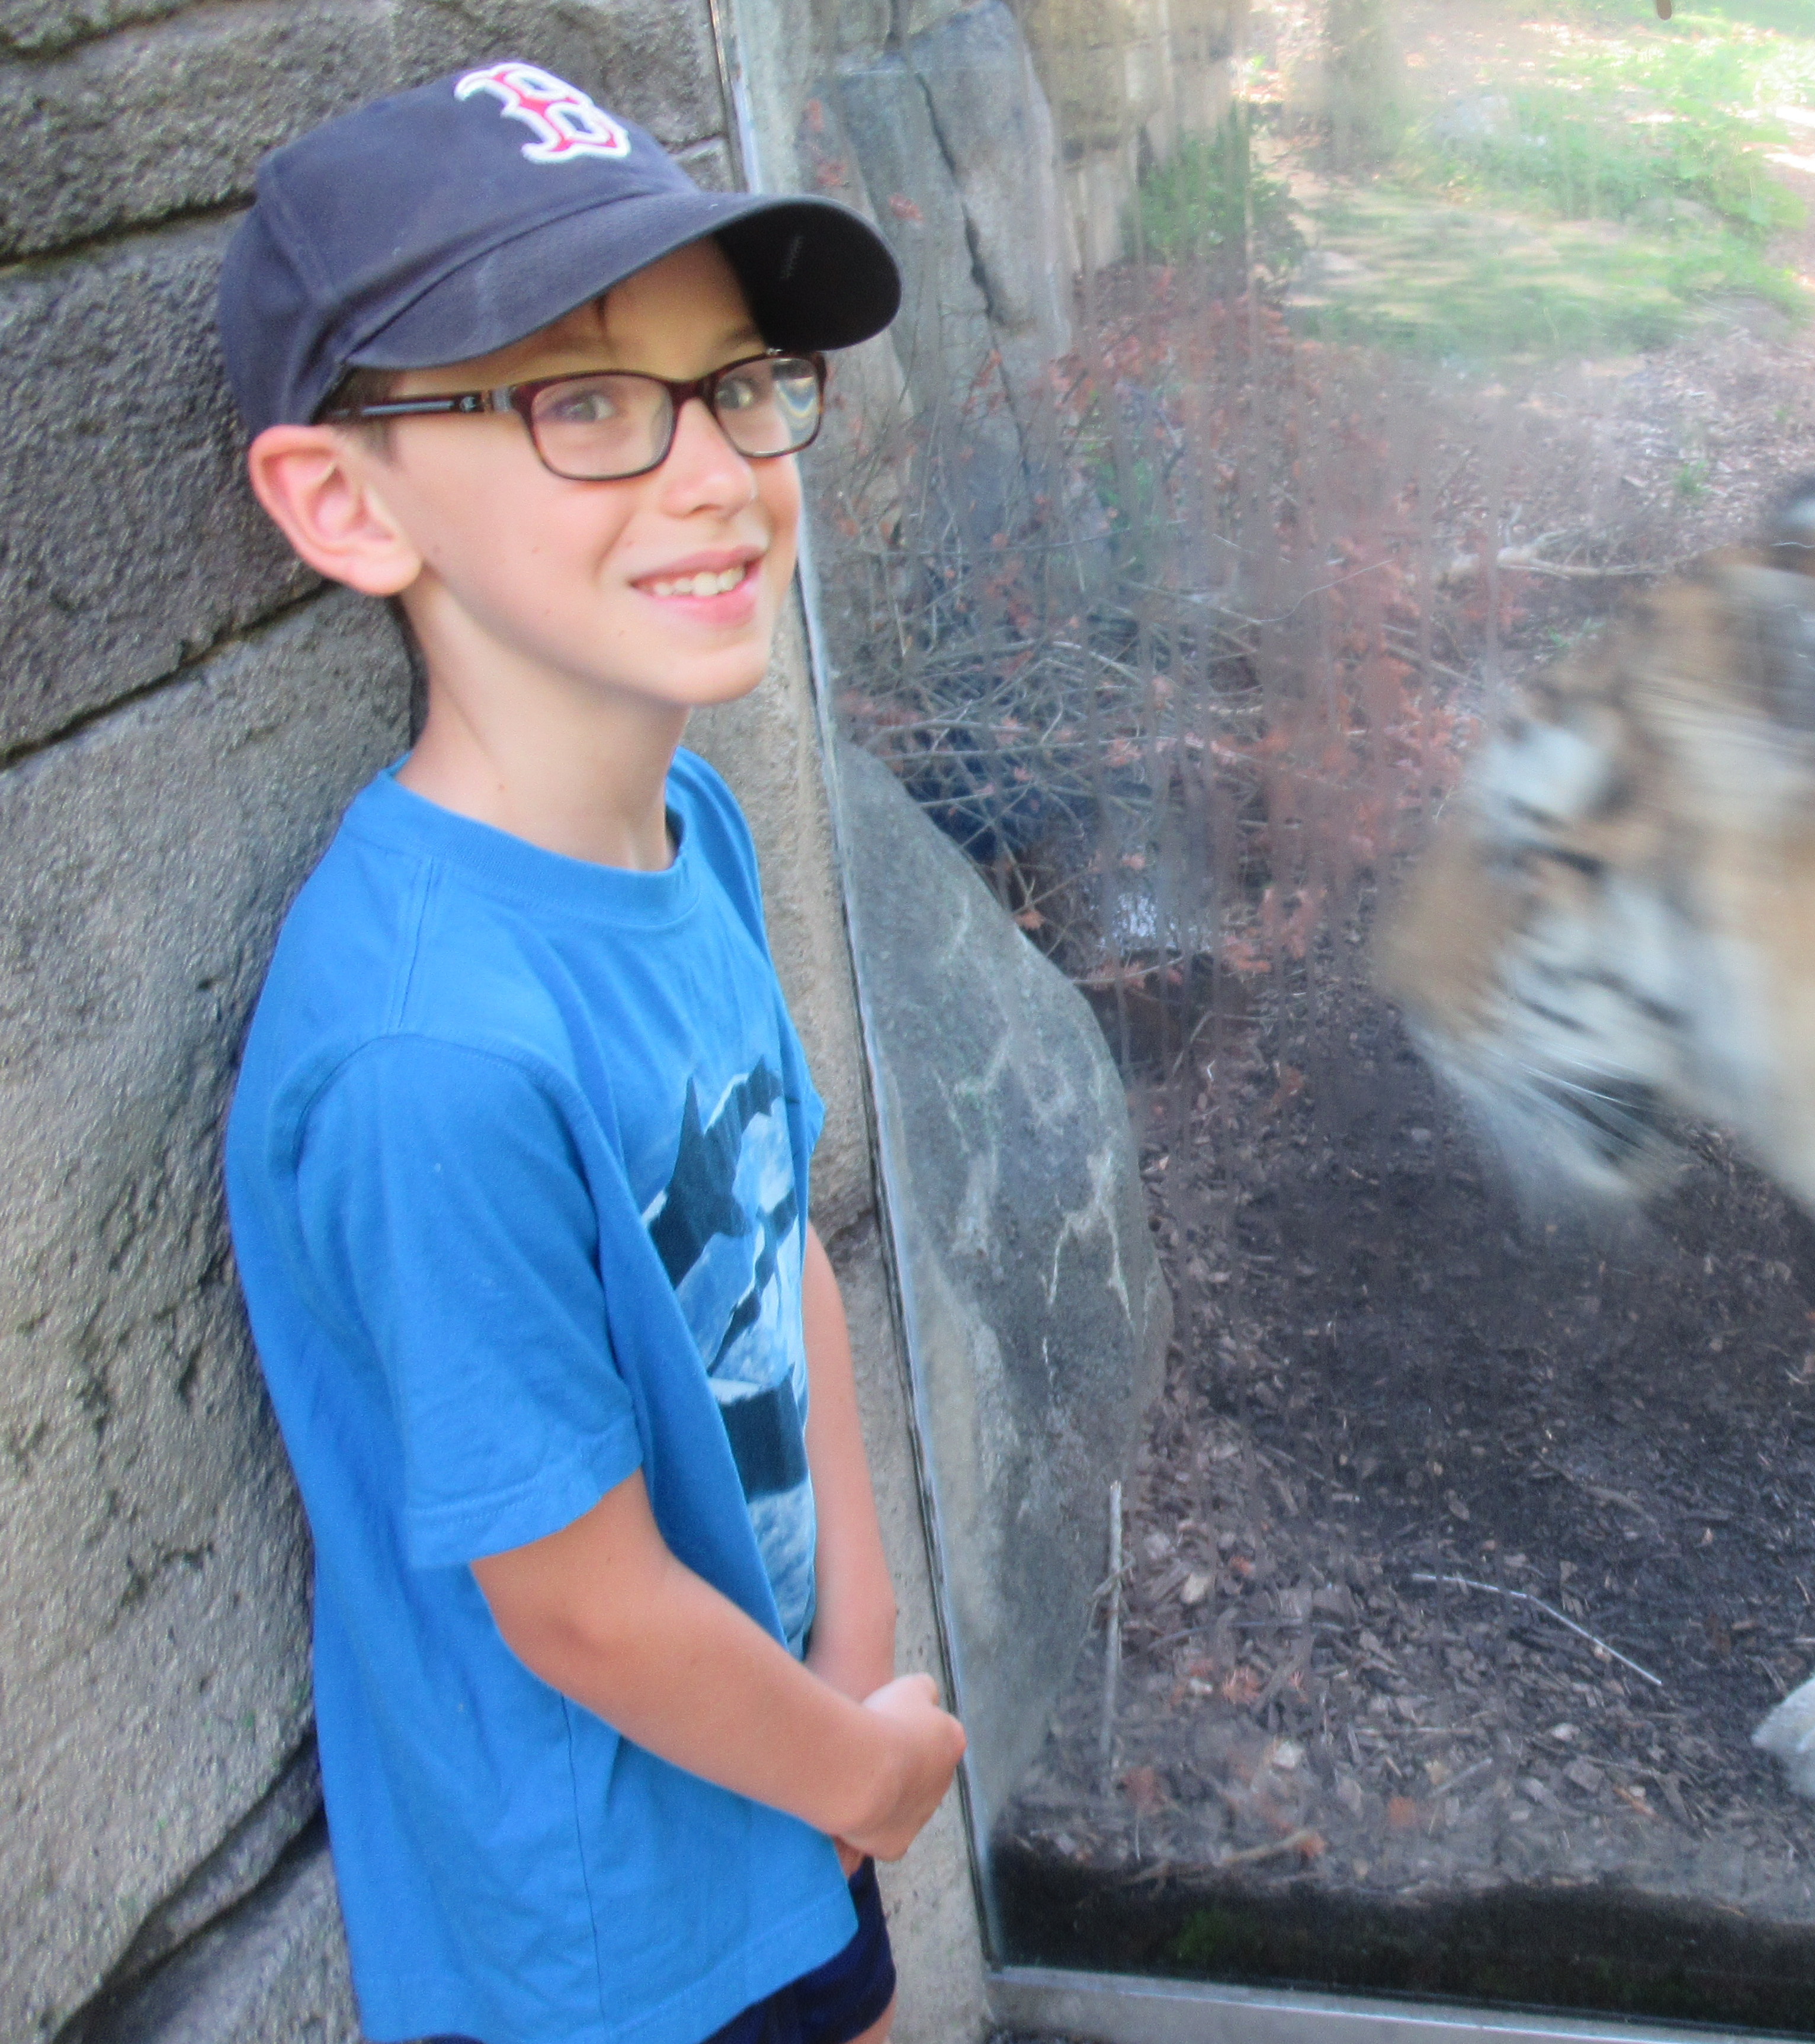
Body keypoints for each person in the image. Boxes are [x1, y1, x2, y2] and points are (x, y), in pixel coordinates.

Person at [217, 62, 964, 2044]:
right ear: (344, 501)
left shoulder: (690, 822)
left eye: (737, 383)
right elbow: (575, 1601)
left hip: (791, 1785)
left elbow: (780, 1234)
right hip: (607, 1943)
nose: (717, 472)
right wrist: (858, 1767)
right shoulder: (428, 1052)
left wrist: (859, 1653)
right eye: (586, 403)